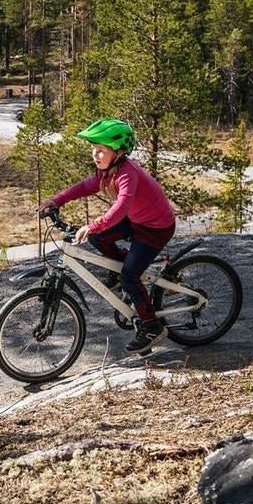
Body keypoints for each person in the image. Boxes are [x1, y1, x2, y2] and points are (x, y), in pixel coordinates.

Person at [38, 118, 177, 353]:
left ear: (119, 152)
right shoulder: (107, 172)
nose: (95, 155)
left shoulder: (127, 173)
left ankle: (151, 326)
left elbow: (122, 206)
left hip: (156, 226)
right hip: (136, 219)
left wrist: (95, 224)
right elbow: (84, 187)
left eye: (101, 150)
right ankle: (119, 270)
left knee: (130, 277)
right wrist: (57, 200)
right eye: (93, 149)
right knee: (98, 238)